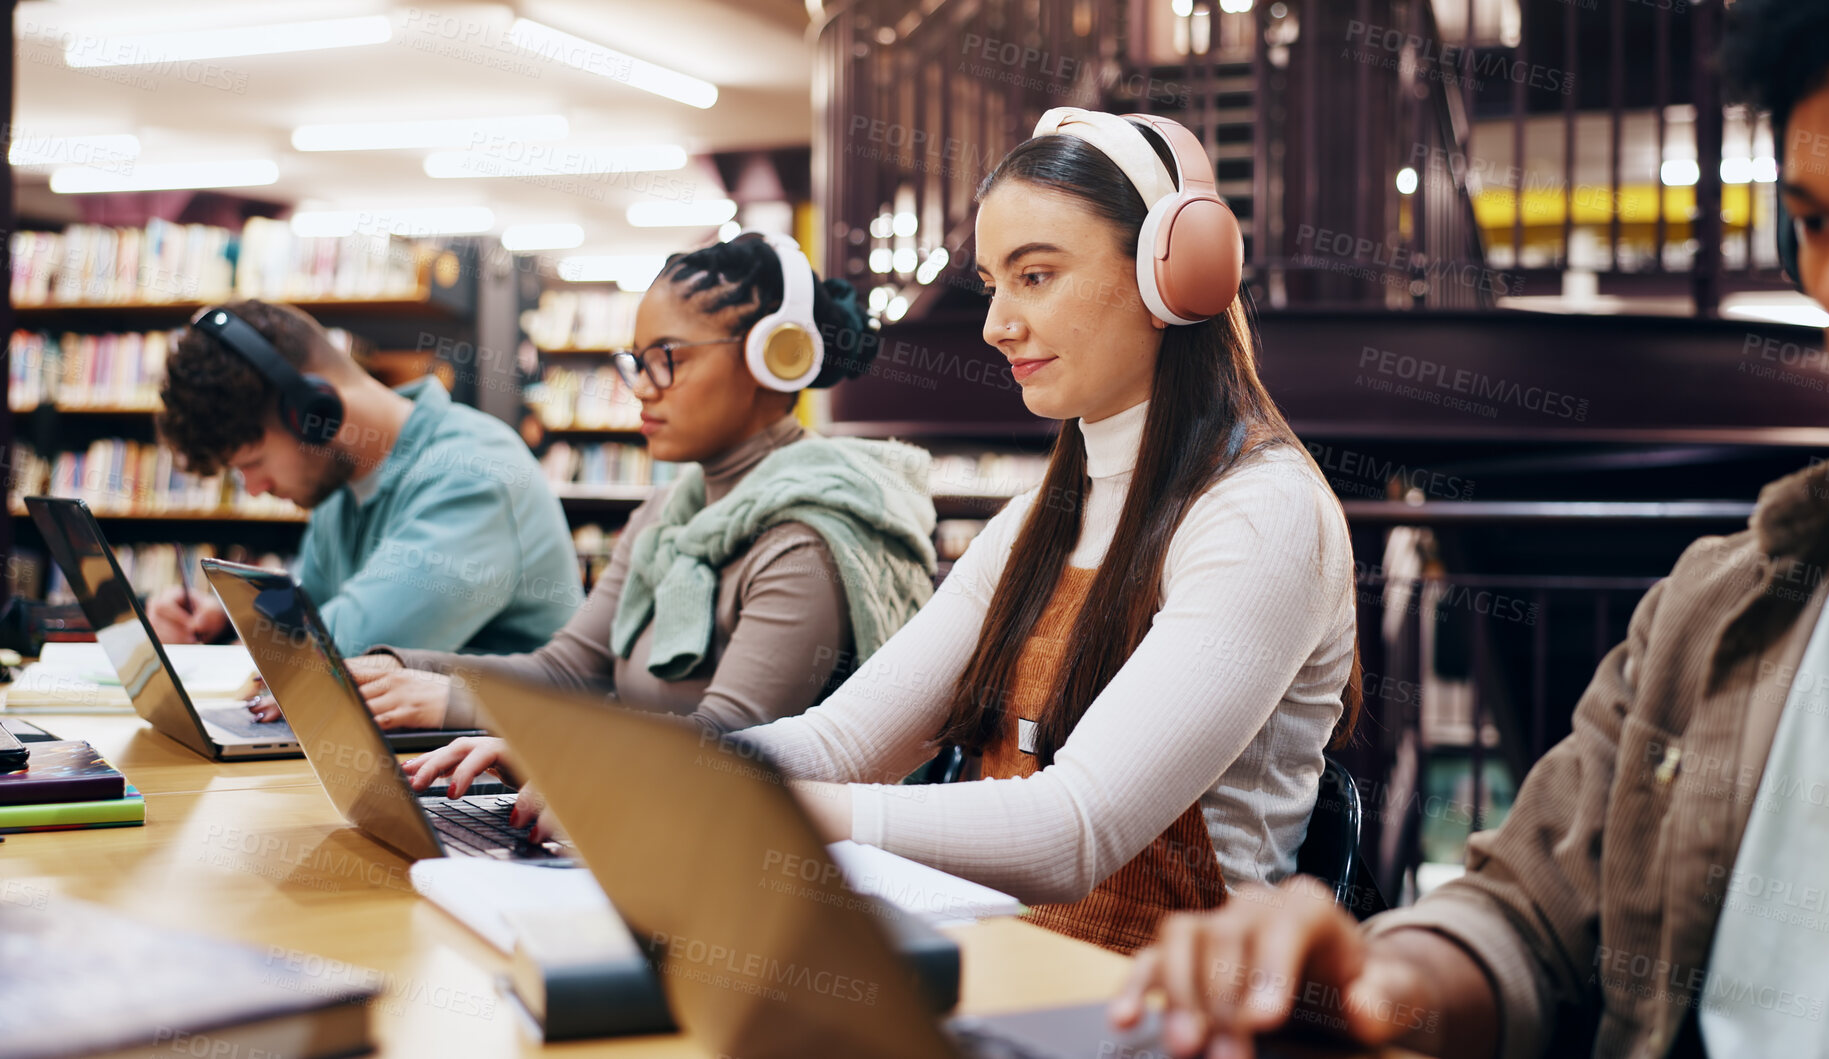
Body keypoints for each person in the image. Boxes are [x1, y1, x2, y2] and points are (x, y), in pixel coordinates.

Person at [1109, 2, 1829, 1056]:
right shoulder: (1721, 606)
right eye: (1816, 221)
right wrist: (1373, 978)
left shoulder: (1261, 505)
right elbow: (1526, 916)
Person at [410, 114, 1362, 955]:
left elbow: (1074, 832)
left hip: (1161, 1013)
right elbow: (843, 740)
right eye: (993, 281)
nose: (996, 323)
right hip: (1011, 967)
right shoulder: (1048, 514)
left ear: (1174, 277)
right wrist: (622, 766)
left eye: (1037, 274)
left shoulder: (1263, 512)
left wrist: (734, 802)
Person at [347, 231, 937, 736]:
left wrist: (468, 706)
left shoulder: (805, 542)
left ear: (773, 358)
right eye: (636, 361)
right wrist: (399, 669)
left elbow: (723, 747)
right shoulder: (668, 513)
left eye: (667, 357)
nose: (642, 387)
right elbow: (567, 670)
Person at [147, 300, 581, 658]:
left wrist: (247, 637)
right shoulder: (339, 486)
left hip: (509, 757)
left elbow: (335, 657)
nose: (255, 488)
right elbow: (309, 614)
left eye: (254, 462)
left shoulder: (472, 474)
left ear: (313, 414)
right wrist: (221, 623)